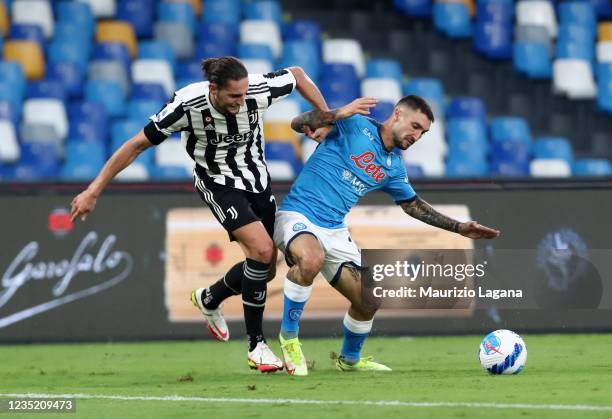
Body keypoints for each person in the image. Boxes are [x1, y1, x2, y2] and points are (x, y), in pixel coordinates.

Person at [70, 56, 330, 373]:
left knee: (265, 269)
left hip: (257, 182)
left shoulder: (257, 90)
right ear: (214, 89)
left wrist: (325, 117)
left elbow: (299, 74)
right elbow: (137, 144)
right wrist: (94, 189)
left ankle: (209, 298)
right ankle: (256, 346)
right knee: (262, 252)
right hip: (218, 183)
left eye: (244, 94)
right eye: (234, 96)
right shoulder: (187, 104)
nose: (241, 101)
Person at [273, 95, 501, 375]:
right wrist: (338, 112)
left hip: (334, 229)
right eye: (415, 126)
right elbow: (298, 123)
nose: (417, 136)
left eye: (423, 132)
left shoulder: (393, 167)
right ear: (397, 114)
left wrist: (459, 227)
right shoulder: (354, 125)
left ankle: (350, 360)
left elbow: (412, 205)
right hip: (298, 215)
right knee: (310, 260)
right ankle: (290, 338)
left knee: (370, 299)